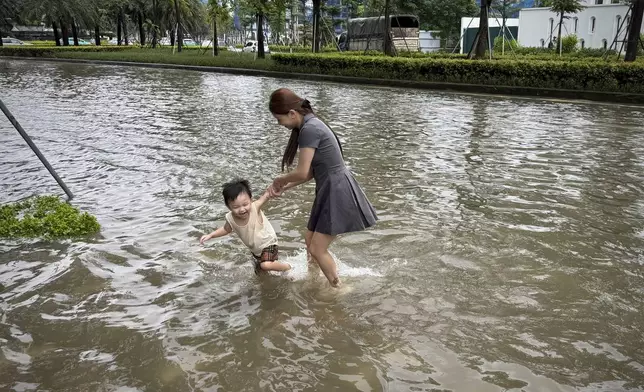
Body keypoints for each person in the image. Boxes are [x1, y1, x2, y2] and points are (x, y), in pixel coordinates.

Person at [267, 88, 377, 288]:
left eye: (278, 119)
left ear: (292, 113)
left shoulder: (309, 129)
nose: (279, 124)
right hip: (330, 186)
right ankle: (315, 280)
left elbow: (301, 172)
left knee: (317, 248)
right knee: (309, 239)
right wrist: (286, 187)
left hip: (336, 189)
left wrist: (279, 179)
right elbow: (310, 172)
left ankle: (338, 287)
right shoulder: (309, 125)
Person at [200, 179, 291, 275]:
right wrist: (211, 235)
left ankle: (288, 267)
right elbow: (226, 229)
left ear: (251, 200)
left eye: (245, 204)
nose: (242, 209)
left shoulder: (255, 207)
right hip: (256, 250)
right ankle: (280, 275)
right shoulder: (230, 218)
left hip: (268, 242)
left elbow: (267, 195)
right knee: (260, 274)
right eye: (236, 207)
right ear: (228, 207)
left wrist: (277, 187)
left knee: (266, 265)